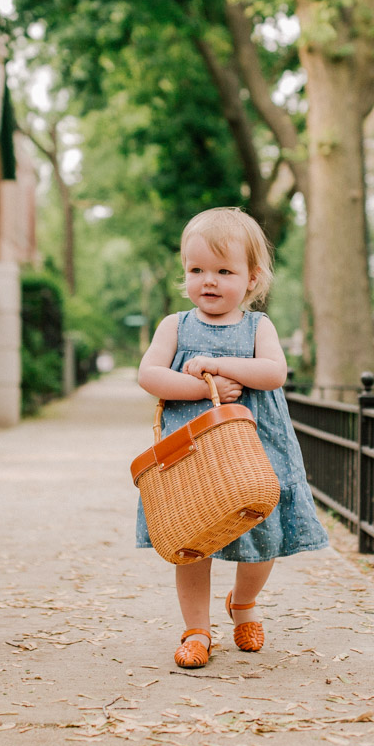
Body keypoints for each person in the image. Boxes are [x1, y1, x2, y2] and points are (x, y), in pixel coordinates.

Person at [135, 208, 327, 668]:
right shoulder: (175, 326)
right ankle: (196, 629)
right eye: (197, 270)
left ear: (252, 277)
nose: (210, 281)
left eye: (224, 271)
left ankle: (242, 603)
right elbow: (149, 375)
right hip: (194, 455)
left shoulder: (257, 327)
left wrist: (219, 366)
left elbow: (274, 373)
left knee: (263, 535)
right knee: (192, 540)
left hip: (255, 452)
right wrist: (206, 389)